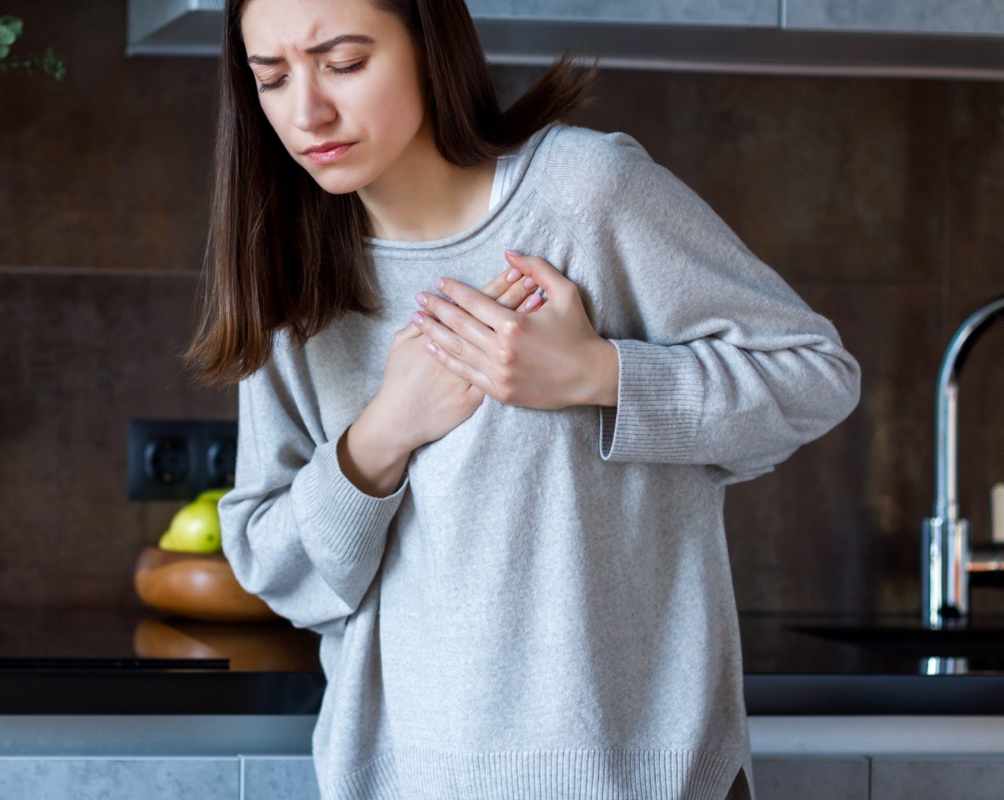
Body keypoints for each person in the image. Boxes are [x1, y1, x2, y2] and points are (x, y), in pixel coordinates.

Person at [186, 0, 861, 797]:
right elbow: (273, 561)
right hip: (410, 781)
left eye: (344, 63)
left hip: (645, 780)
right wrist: (383, 434)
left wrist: (598, 375)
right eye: (271, 78)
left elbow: (815, 376)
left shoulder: (585, 194)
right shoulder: (290, 276)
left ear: (428, 43)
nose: (308, 111)